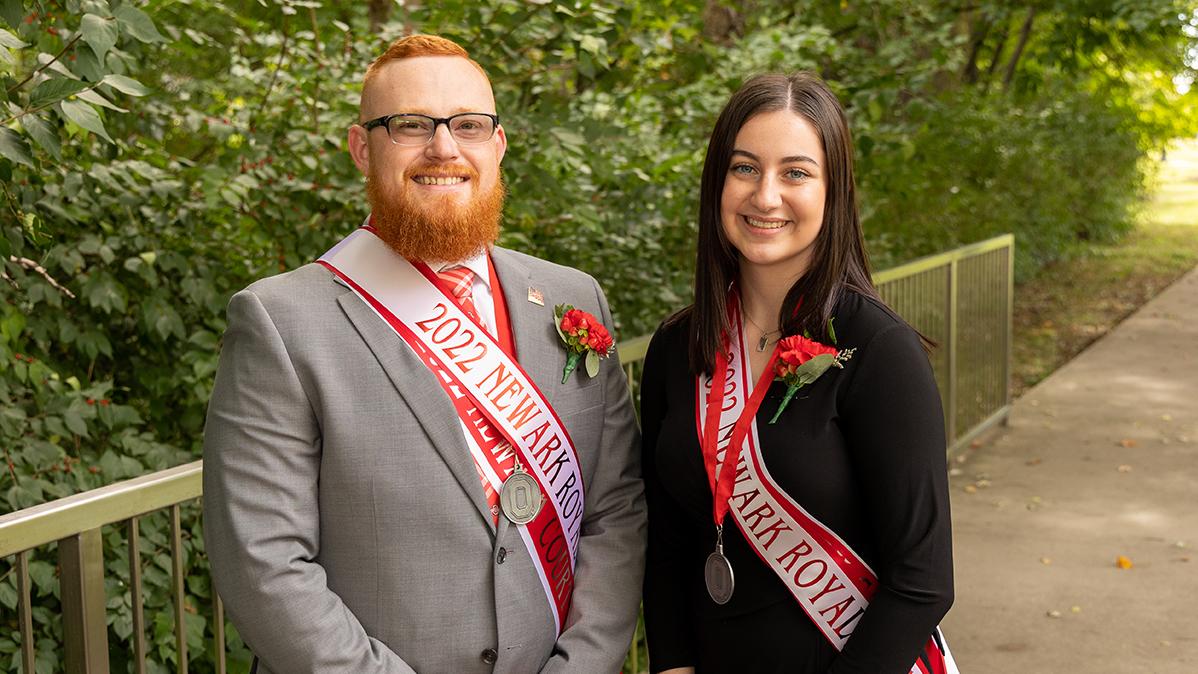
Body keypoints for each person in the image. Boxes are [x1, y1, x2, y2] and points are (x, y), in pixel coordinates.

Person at [203, 34, 646, 673]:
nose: (444, 147)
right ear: (362, 147)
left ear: (497, 145)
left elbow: (616, 512)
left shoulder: (574, 299)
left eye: (468, 125)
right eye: (411, 125)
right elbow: (263, 562)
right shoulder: (280, 320)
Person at [640, 72, 956, 673]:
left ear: (832, 193)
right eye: (744, 168)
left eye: (796, 172)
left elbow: (922, 582)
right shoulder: (676, 347)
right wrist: (673, 665)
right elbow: (670, 541)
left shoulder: (879, 351)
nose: (765, 196)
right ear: (717, 184)